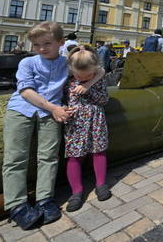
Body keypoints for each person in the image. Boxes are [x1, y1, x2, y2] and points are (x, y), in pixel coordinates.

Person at [1, 22, 102, 230]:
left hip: (50, 113)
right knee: (15, 157)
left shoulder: (66, 63)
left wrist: (87, 84)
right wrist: (54, 108)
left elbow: (98, 70)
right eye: (37, 45)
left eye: (47, 43)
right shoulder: (27, 63)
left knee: (48, 157)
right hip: (22, 110)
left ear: (61, 43)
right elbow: (25, 91)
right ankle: (17, 204)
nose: (41, 49)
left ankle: (44, 199)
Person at [64, 45, 111, 212]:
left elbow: (104, 99)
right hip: (76, 124)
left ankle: (101, 184)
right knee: (74, 156)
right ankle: (76, 191)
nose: (84, 78)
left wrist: (89, 88)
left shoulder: (97, 79)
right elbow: (62, 99)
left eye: (88, 75)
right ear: (72, 71)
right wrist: (63, 109)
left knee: (98, 151)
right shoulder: (69, 82)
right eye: (80, 76)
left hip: (96, 121)